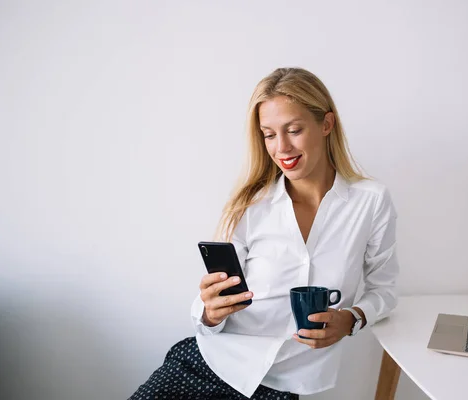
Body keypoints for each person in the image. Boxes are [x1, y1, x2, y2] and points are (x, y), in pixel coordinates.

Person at [129, 67, 399, 399]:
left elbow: (384, 291)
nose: (281, 147)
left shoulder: (370, 202)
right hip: (214, 363)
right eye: (269, 134)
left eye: (294, 130)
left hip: (287, 383)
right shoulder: (249, 205)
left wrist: (351, 319)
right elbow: (213, 305)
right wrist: (209, 311)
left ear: (326, 124)